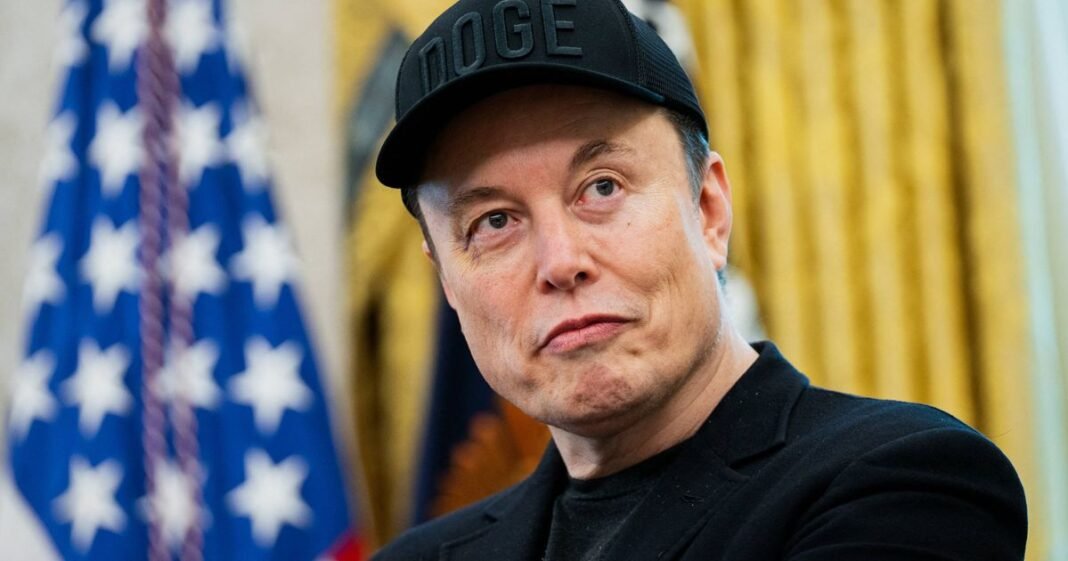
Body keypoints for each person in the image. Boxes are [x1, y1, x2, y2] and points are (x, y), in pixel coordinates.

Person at [370, 0, 1028, 559]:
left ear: (709, 210)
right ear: (448, 280)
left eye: (602, 186)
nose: (561, 261)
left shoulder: (904, 482)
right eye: (493, 221)